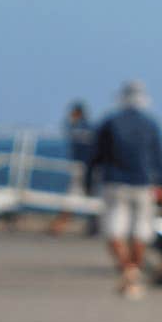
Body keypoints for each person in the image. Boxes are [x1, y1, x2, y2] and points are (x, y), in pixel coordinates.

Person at [91, 81, 162, 298]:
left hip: (114, 182)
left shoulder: (109, 122)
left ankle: (127, 270)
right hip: (143, 183)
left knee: (114, 231)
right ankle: (133, 272)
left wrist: (89, 181)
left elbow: (96, 155)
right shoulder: (151, 124)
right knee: (140, 232)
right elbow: (158, 160)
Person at [50, 100, 97, 235]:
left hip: (79, 167)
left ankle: (59, 225)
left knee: (72, 196)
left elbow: (67, 128)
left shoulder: (76, 127)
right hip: (91, 166)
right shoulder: (91, 128)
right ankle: (93, 225)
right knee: (91, 196)